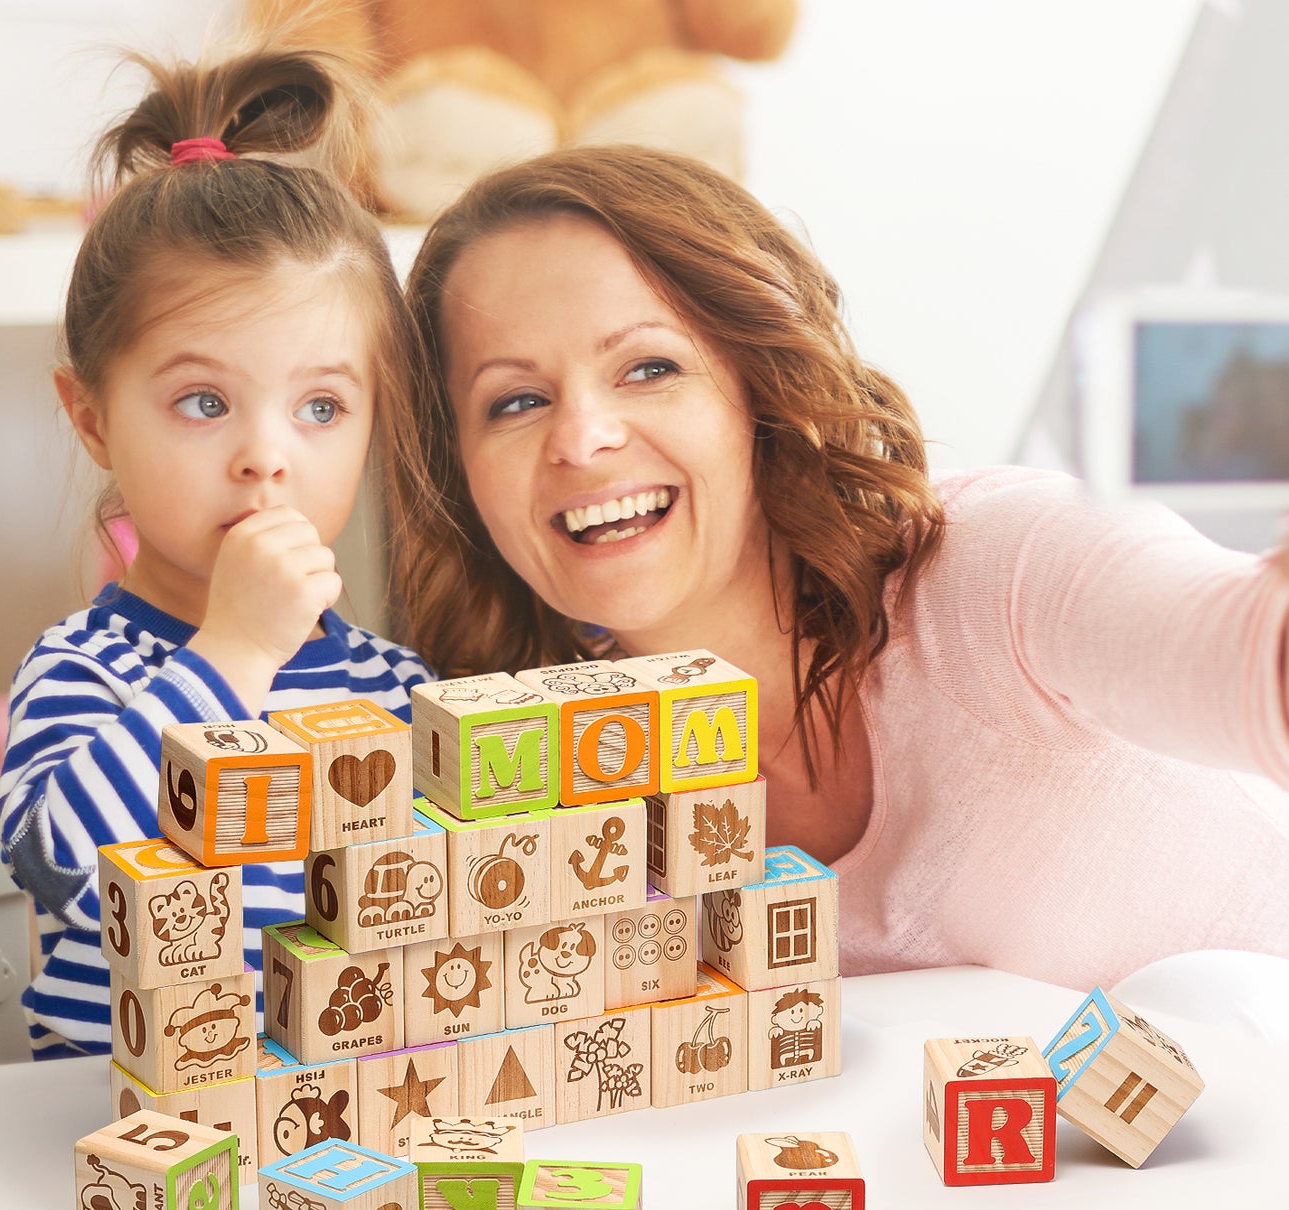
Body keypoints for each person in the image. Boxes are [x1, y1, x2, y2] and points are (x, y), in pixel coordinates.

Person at [390, 144, 1289, 990]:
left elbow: (1237, 650)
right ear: (460, 474)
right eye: (515, 400)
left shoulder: (1000, 566)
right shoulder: (557, 793)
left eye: (647, 367)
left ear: (756, 391)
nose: (582, 438)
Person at [0, 45, 433, 1060]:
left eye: (321, 407)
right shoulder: (83, 669)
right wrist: (232, 652)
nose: (265, 460)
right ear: (93, 418)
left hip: (340, 1143)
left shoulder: (396, 683)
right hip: (134, 1141)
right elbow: (61, 861)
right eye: (203, 403)